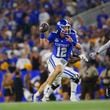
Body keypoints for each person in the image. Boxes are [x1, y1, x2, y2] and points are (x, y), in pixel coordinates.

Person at [24, 19, 88, 102]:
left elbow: (79, 47)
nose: (66, 29)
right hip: (54, 60)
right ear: (60, 28)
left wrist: (72, 42)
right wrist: (42, 34)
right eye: (64, 28)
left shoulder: (72, 34)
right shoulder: (54, 35)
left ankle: (37, 95)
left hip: (63, 62)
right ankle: (46, 94)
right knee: (59, 69)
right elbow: (43, 45)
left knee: (63, 80)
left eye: (67, 27)